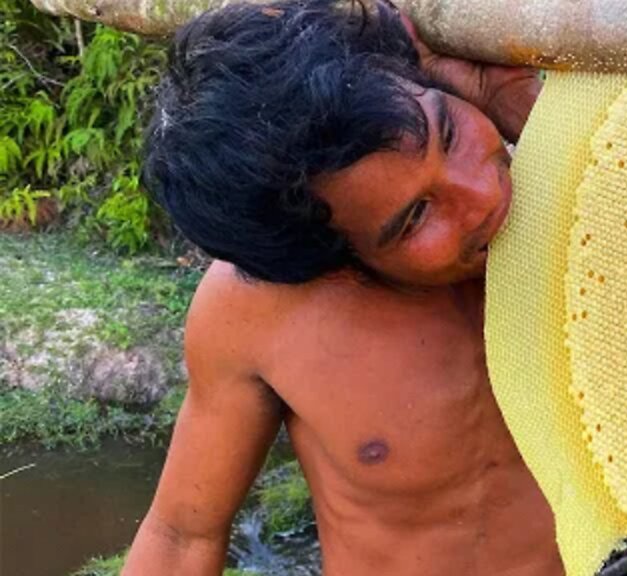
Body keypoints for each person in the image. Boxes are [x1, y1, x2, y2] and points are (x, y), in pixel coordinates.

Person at [121, 0, 561, 574]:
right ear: (332, 261)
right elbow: (183, 535)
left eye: (447, 133)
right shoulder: (256, 312)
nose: (482, 199)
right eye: (413, 219)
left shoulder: (579, 203)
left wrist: (519, 108)